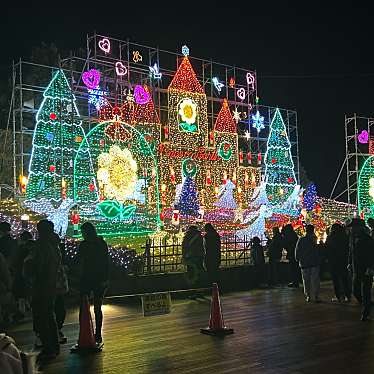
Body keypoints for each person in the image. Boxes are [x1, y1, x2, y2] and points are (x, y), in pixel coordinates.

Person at [24, 220, 60, 360]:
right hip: (51, 285)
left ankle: (49, 347)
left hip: (42, 285)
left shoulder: (42, 246)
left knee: (42, 316)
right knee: (50, 315)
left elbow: (36, 267)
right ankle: (53, 346)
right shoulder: (54, 244)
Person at [77, 222, 109, 344]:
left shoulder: (85, 245)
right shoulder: (100, 244)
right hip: (96, 278)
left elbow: (78, 259)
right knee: (96, 307)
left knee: (86, 306)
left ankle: (88, 332)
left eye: (83, 232)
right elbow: (106, 263)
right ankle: (96, 333)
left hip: (89, 278)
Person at [347, 218, 374, 321]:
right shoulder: (352, 238)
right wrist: (349, 262)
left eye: (353, 227)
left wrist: (371, 267)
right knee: (356, 289)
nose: (352, 229)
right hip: (356, 268)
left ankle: (366, 311)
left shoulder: (368, 239)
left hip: (366, 268)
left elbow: (372, 254)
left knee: (366, 290)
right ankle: (365, 303)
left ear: (359, 228)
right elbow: (351, 251)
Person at [325, 223, 351, 302]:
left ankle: (337, 295)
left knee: (335, 279)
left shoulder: (330, 237)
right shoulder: (345, 237)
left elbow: (327, 249)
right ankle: (347, 295)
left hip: (333, 261)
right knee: (344, 278)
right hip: (343, 260)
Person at [295, 225, 320, 302]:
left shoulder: (301, 240)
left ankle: (308, 296)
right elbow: (317, 251)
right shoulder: (314, 239)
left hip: (304, 263)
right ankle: (316, 296)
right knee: (315, 280)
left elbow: (297, 250)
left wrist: (297, 258)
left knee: (306, 280)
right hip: (314, 262)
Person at [13, 232, 34, 317]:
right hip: (28, 275)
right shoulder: (33, 249)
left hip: (21, 273)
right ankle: (27, 307)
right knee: (26, 292)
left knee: (21, 293)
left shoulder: (21, 249)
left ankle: (22, 310)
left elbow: (17, 262)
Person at [182, 226, 204, 297]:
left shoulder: (187, 237)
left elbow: (184, 247)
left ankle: (192, 292)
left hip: (190, 257)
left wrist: (184, 256)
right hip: (199, 257)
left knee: (191, 275)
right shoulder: (200, 237)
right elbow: (202, 247)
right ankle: (200, 291)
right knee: (199, 274)